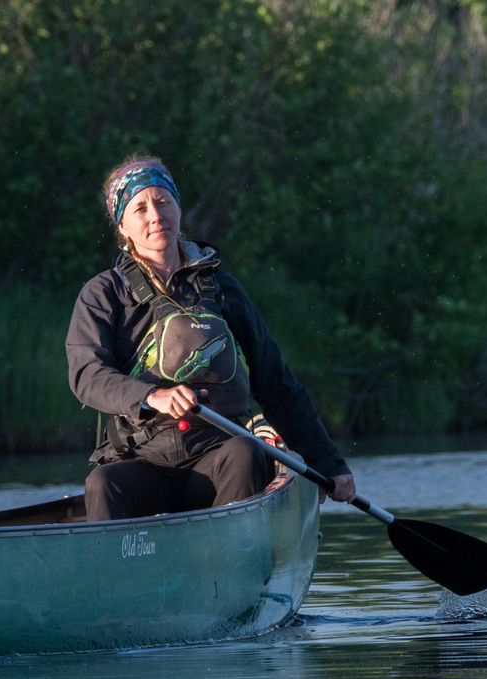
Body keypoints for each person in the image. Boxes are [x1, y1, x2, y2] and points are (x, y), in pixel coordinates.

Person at [66, 155, 356, 521]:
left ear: (178, 209)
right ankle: (117, 574)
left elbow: (277, 383)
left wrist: (328, 463)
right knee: (102, 483)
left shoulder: (223, 290)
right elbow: (86, 376)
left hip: (219, 457)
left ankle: (229, 563)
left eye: (163, 202)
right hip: (145, 461)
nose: (156, 215)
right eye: (140, 208)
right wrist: (151, 395)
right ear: (122, 225)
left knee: (245, 452)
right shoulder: (103, 294)